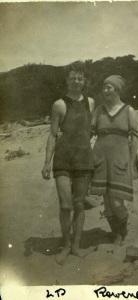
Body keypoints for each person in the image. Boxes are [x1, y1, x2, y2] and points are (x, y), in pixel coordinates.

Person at [41, 61, 94, 264]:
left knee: (79, 205)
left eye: (80, 78)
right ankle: (65, 245)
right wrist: (47, 162)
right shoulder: (59, 105)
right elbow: (53, 135)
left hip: (83, 160)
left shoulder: (91, 103)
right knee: (65, 205)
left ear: (84, 81)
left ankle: (76, 246)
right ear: (67, 80)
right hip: (62, 160)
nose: (76, 81)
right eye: (72, 78)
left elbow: (91, 130)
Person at [91, 75, 138, 245]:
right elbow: (89, 135)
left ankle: (123, 229)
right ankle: (116, 233)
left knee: (117, 203)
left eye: (109, 87)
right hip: (101, 161)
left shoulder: (128, 110)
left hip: (120, 162)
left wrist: (132, 163)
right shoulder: (98, 111)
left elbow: (134, 139)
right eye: (104, 87)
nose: (105, 91)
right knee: (107, 203)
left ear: (117, 89)